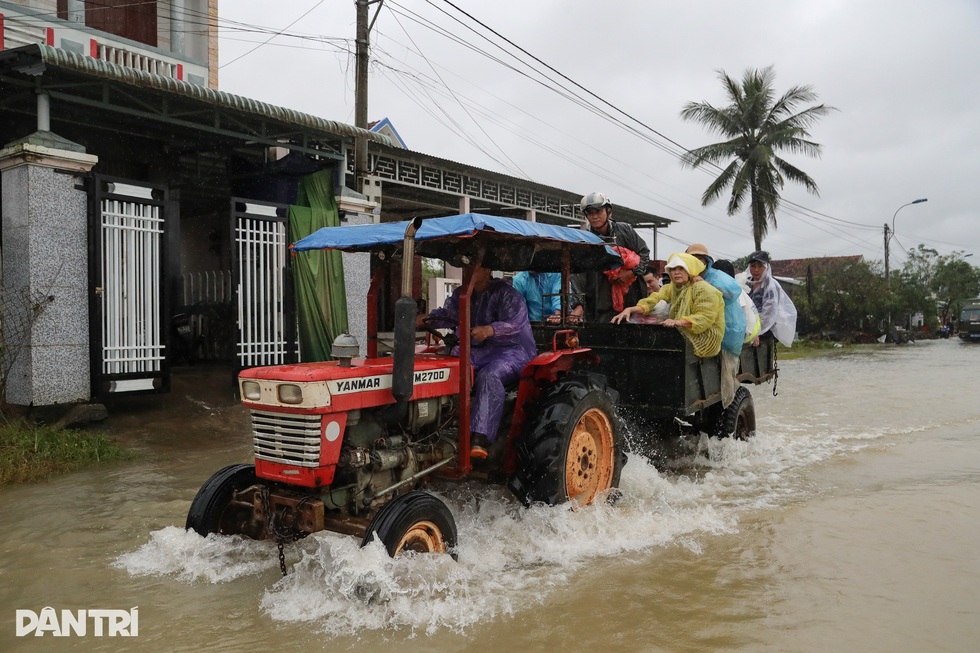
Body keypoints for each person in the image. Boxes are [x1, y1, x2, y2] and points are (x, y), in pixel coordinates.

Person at [420, 262, 538, 459]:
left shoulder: (506, 294)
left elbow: (515, 324)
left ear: (488, 270)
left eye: (474, 268)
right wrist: (427, 319)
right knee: (448, 366)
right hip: (477, 350)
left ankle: (480, 438)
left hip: (511, 351)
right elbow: (447, 314)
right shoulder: (461, 295)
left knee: (490, 374)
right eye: (465, 268)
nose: (468, 273)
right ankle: (437, 425)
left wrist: (491, 330)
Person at [611, 252, 724, 358]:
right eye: (673, 269)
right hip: (682, 337)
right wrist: (630, 310)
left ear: (689, 270)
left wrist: (677, 322)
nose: (676, 272)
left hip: (704, 341)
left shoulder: (704, 289)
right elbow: (653, 299)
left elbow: (704, 318)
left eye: (681, 268)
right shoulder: (672, 287)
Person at [570, 192, 650, 322]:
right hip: (599, 301)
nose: (594, 216)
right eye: (590, 213)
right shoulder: (584, 240)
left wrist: (631, 273)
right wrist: (578, 305)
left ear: (608, 212)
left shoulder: (625, 231)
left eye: (598, 212)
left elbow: (644, 254)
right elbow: (577, 274)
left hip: (631, 296)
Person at [686, 244, 746, 406]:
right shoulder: (684, 276)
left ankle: (729, 406)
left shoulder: (716, 276)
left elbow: (734, 291)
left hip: (727, 327)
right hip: (698, 326)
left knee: (727, 376)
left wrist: (706, 285)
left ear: (707, 262)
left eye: (700, 259)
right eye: (692, 259)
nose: (697, 262)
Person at [745, 250, 797, 347]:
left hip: (764, 331)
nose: (756, 270)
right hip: (748, 329)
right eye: (753, 266)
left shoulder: (770, 286)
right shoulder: (745, 283)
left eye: (760, 266)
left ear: (766, 267)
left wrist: (756, 333)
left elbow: (769, 314)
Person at [714, 259, 761, 345]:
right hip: (751, 332)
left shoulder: (732, 293)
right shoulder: (735, 289)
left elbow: (737, 322)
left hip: (746, 334)